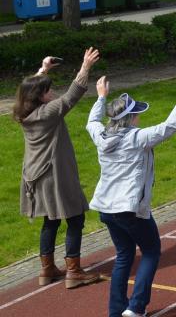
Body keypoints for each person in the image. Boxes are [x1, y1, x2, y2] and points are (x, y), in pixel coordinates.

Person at [87, 74, 176, 317]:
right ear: (130, 119)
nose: (140, 117)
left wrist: (100, 97)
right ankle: (136, 308)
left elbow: (92, 121)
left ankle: (116, 310)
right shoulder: (138, 138)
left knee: (123, 256)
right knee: (151, 251)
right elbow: (170, 126)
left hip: (106, 209)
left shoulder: (101, 135)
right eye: (137, 114)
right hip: (129, 210)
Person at [13, 48, 102, 289]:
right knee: (75, 218)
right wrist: (85, 66)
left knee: (50, 221)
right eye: (48, 90)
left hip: (33, 176)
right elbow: (73, 94)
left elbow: (25, 89)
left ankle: (47, 270)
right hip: (54, 175)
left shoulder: (23, 111)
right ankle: (74, 272)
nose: (52, 92)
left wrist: (43, 69)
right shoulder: (49, 112)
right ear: (41, 96)